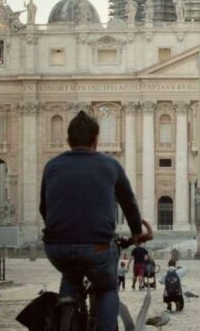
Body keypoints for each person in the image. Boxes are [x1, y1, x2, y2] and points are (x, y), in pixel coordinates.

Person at [40, 111, 150, 331]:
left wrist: (58, 229)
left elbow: (44, 207)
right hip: (97, 246)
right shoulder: (111, 165)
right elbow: (129, 204)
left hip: (56, 247)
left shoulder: (52, 166)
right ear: (96, 139)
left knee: (70, 274)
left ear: (68, 140)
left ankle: (65, 312)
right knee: (107, 288)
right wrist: (137, 233)